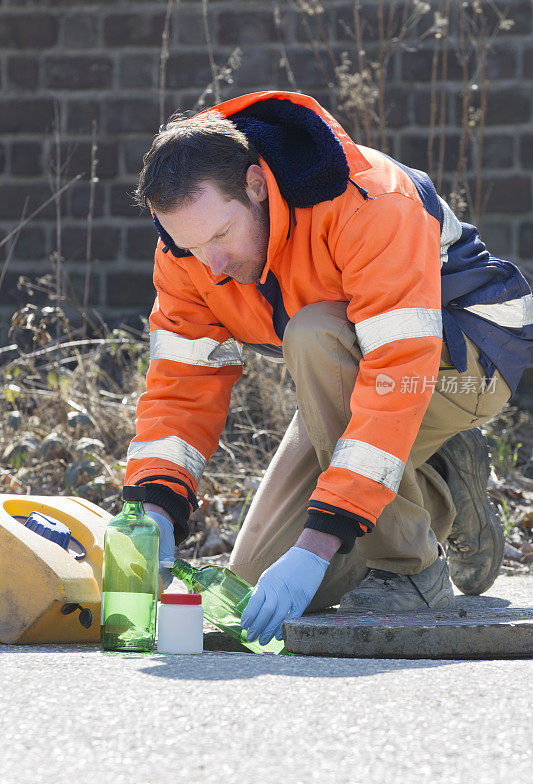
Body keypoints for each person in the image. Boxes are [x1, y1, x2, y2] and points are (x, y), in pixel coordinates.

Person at [125, 90, 533, 647]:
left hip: (470, 354)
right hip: (353, 373)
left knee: (314, 334)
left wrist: (320, 541)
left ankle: (410, 570)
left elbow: (396, 374)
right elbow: (180, 385)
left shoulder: (370, 200)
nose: (212, 267)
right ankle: (443, 481)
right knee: (256, 586)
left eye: (221, 235)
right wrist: (155, 507)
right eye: (191, 247)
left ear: (255, 185)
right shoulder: (189, 250)